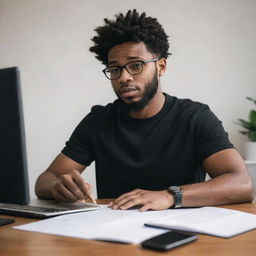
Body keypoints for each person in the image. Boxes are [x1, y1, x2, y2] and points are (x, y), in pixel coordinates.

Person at [35, 9, 254, 211]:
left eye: (136, 65)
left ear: (161, 67)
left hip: (183, 238)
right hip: (112, 235)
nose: (125, 77)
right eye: (114, 69)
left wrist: (169, 196)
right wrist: (57, 186)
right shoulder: (98, 121)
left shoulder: (194, 117)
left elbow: (242, 184)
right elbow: (45, 179)